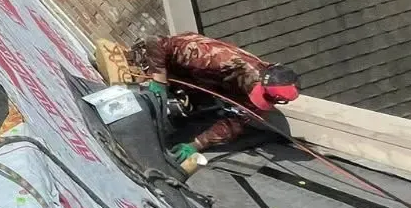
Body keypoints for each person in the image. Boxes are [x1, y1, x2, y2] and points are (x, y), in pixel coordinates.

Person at [129, 32, 302, 151]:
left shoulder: (261, 96)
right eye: (256, 93)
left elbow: (235, 124)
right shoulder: (218, 58)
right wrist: (159, 81)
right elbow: (156, 42)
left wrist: (196, 144)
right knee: (140, 104)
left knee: (180, 113)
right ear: (258, 79)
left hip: (196, 83)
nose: (254, 99)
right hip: (159, 65)